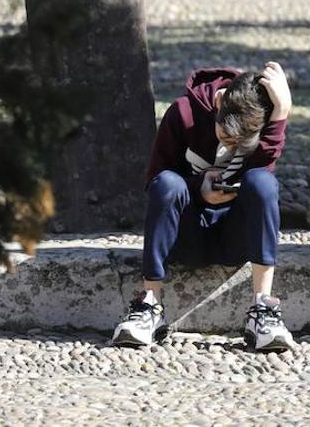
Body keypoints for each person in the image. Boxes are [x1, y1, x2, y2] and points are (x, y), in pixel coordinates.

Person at [112, 62, 294, 353]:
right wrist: (198, 188)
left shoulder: (264, 118)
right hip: (184, 235)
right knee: (168, 184)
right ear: (220, 103)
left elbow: (263, 175)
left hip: (235, 238)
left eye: (241, 141)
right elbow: (155, 181)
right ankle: (150, 306)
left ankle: (263, 310)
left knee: (263, 183)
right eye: (226, 135)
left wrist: (281, 114)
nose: (233, 144)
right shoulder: (183, 113)